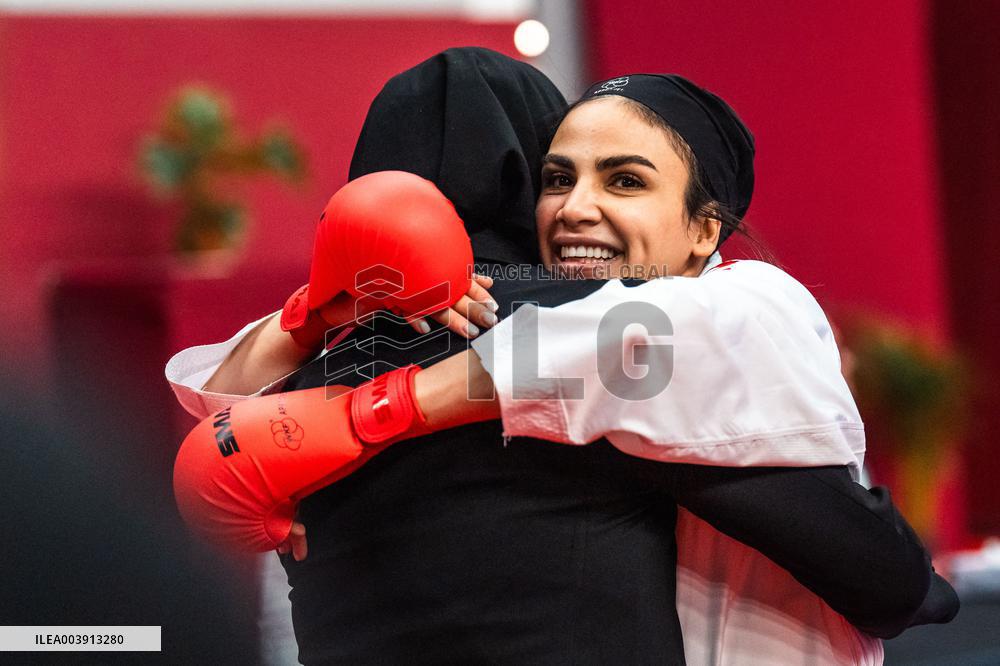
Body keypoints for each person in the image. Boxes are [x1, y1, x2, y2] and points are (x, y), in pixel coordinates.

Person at [169, 55, 957, 664]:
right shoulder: (630, 339)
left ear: (707, 228)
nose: (578, 208)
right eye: (556, 177)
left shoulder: (296, 380)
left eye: (624, 180)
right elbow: (877, 571)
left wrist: (347, 374)